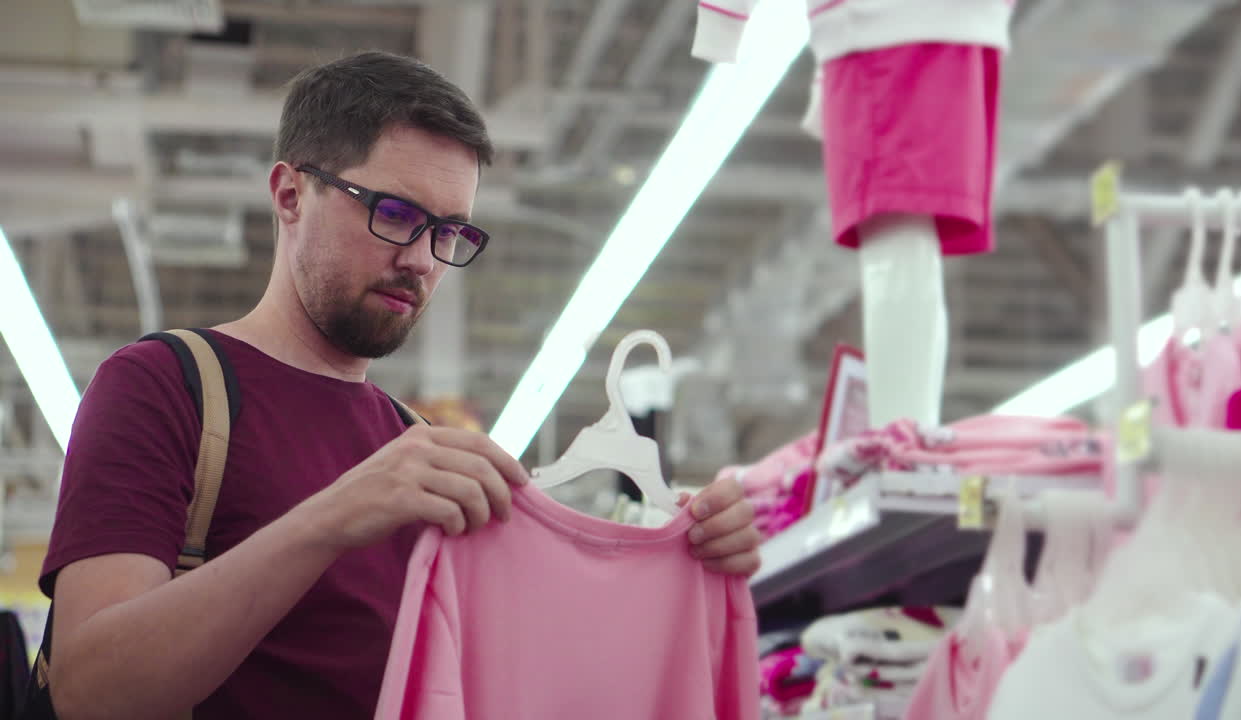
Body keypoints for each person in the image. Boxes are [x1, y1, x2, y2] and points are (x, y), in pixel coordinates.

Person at [39, 50, 763, 720]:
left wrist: (685, 552)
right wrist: (334, 516)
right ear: (291, 194)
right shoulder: (166, 388)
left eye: (450, 233)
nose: (423, 260)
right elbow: (92, 689)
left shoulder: (422, 456)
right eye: (395, 214)